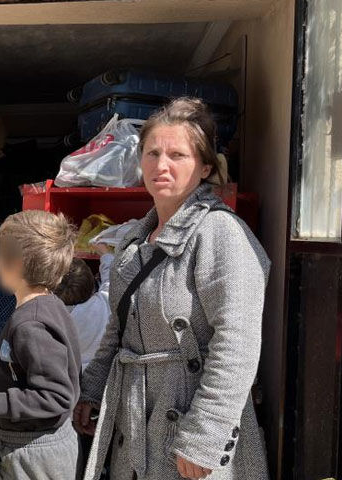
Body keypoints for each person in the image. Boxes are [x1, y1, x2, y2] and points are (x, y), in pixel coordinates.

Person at [74, 98, 271, 480]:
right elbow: (118, 328)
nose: (161, 165)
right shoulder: (134, 239)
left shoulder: (221, 233)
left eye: (177, 155)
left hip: (191, 431)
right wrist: (92, 389)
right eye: (153, 153)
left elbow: (238, 343)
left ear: (205, 167)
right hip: (135, 426)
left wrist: (205, 437)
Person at [0, 210, 81, 480]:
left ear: (17, 265)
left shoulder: (31, 325)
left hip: (35, 454)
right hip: (40, 445)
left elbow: (57, 396)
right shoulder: (50, 306)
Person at [53, 243, 114, 369]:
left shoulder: (52, 318)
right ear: (93, 284)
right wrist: (105, 254)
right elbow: (112, 276)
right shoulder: (104, 303)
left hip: (71, 372)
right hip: (104, 370)